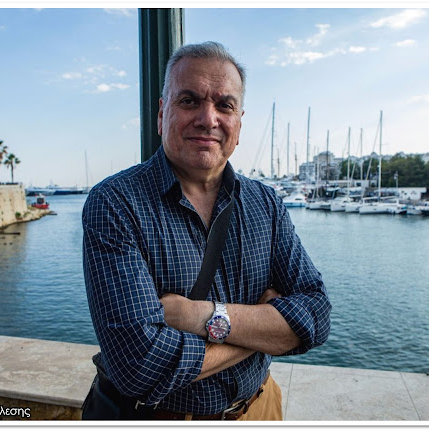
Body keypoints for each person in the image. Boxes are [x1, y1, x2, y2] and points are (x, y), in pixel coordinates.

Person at [82, 41, 331, 421]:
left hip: (259, 408)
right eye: (189, 101)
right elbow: (140, 366)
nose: (208, 118)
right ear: (162, 112)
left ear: (239, 123)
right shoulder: (116, 204)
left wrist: (199, 315)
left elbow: (317, 314)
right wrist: (265, 327)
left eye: (224, 105)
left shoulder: (266, 203)